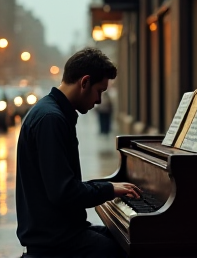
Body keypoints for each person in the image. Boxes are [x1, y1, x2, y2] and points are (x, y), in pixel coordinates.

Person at [16, 47, 142, 258]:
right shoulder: (51, 119)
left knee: (129, 239)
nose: (100, 100)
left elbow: (63, 186)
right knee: (122, 248)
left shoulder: (52, 112)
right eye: (99, 91)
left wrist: (108, 187)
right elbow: (64, 193)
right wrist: (108, 189)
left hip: (61, 231)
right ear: (84, 82)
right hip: (54, 240)